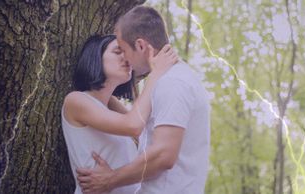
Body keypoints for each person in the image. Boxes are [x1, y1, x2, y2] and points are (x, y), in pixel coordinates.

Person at [77, 6, 211, 194]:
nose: (124, 58)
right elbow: (139, 126)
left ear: (140, 46)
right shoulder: (171, 79)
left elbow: (163, 155)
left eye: (123, 50)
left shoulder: (172, 83)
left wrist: (109, 180)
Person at [62, 34, 177, 194]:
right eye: (117, 52)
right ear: (96, 58)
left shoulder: (111, 105)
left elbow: (153, 142)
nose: (127, 58)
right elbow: (134, 126)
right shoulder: (76, 100)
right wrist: (156, 75)